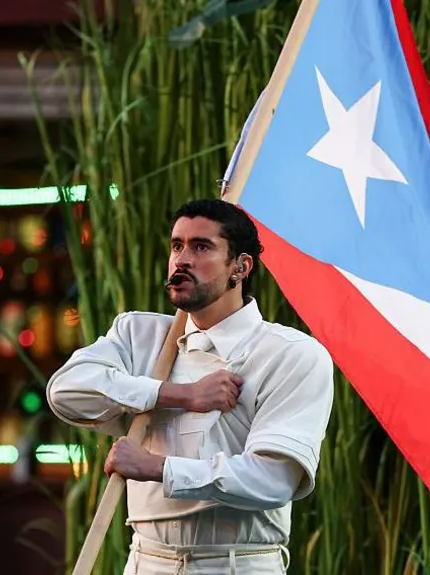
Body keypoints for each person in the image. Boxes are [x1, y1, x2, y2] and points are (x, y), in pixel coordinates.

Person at [46, 198, 335, 574]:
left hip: (237, 565)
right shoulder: (139, 336)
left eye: (202, 247)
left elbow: (273, 480)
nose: (182, 259)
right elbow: (65, 392)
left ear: (241, 267)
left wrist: (158, 467)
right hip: (145, 562)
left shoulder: (291, 354)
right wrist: (180, 395)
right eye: (177, 246)